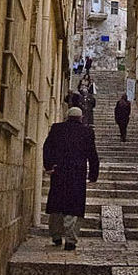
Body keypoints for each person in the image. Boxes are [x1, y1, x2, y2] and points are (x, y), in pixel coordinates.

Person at [43, 106, 99, 250]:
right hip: (77, 174)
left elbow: (47, 147)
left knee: (57, 204)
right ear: (81, 118)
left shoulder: (57, 128)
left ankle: (55, 236)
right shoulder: (87, 132)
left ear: (67, 116)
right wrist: (93, 174)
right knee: (74, 206)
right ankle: (70, 239)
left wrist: (49, 166)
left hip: (59, 171)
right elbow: (92, 154)